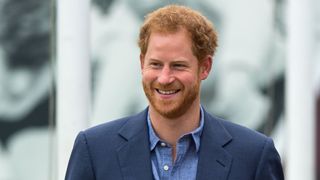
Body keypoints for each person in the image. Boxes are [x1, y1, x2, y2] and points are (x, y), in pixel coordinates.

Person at [65, 5, 284, 180]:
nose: (165, 78)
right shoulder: (95, 150)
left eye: (178, 66)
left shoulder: (254, 154)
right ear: (142, 63)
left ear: (205, 67)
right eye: (156, 64)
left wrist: (240, 69)